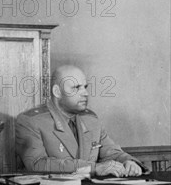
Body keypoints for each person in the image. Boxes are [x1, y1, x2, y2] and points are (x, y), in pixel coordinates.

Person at [15, 64, 144, 176]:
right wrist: (94, 168)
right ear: (57, 92)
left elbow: (110, 152)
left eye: (85, 87)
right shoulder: (31, 121)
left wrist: (128, 162)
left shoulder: (90, 120)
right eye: (76, 88)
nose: (85, 93)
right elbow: (38, 164)